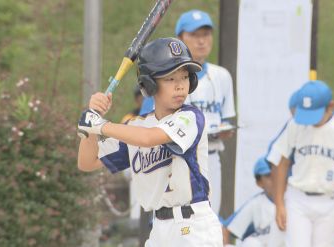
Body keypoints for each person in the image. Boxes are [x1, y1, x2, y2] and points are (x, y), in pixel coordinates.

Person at [77, 37, 222, 246]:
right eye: (170, 79)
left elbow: (148, 138)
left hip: (194, 227)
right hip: (159, 230)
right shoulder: (136, 127)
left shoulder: (191, 117)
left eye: (184, 77)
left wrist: (101, 125)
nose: (180, 86)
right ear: (149, 84)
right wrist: (92, 121)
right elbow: (87, 162)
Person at [272, 80, 334, 247]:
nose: (310, 120)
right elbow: (281, 163)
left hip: (329, 200)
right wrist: (279, 204)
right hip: (298, 198)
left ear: (330, 106)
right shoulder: (295, 124)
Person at [175, 9, 236, 214]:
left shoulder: (222, 76)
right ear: (180, 39)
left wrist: (225, 131)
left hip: (211, 156)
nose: (201, 41)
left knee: (210, 219)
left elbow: (226, 119)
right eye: (194, 35)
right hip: (180, 160)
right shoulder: (170, 76)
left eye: (205, 34)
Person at [223, 157, 285, 247]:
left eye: (276, 174)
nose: (274, 179)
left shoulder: (293, 199)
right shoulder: (256, 203)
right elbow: (226, 229)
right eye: (268, 176)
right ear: (259, 182)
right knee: (251, 243)